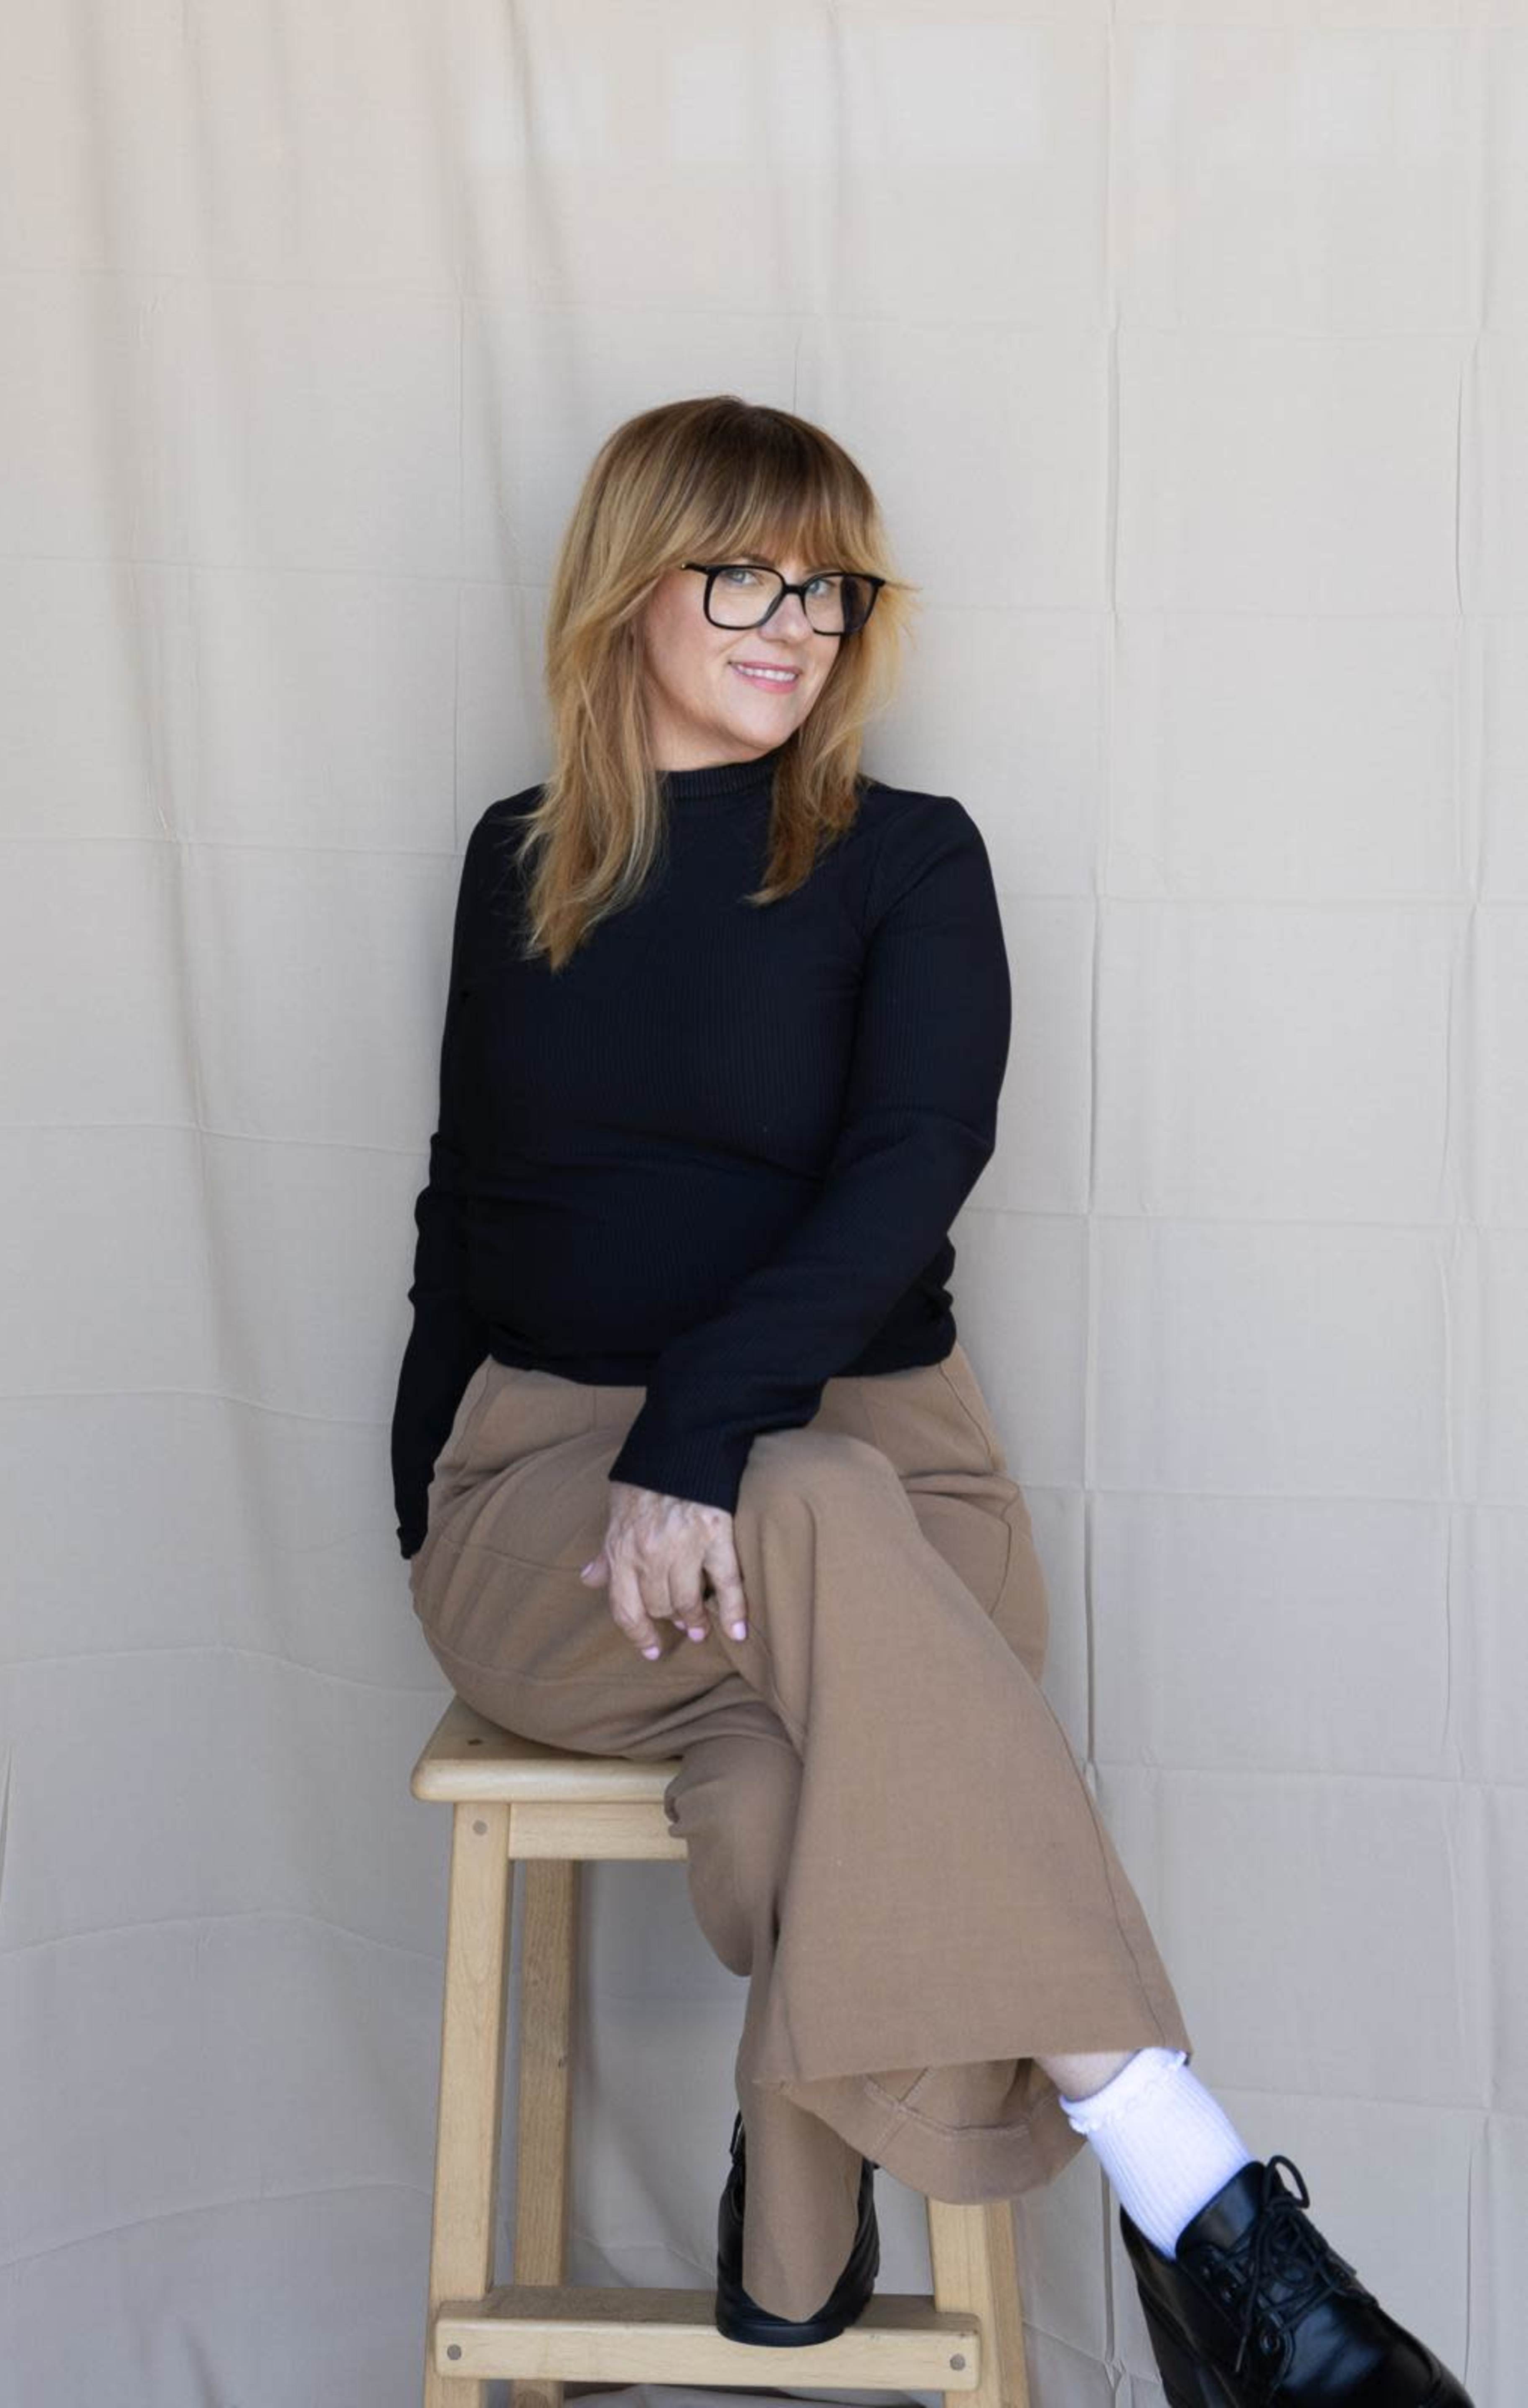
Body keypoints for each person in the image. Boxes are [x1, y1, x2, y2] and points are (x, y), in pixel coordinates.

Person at [390, 395, 1470, 2405]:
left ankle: (790, 2253)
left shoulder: (908, 860)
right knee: (802, 1521)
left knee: (796, 1748)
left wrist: (708, 1430)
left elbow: (912, 1168)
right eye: (747, 576)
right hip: (561, 1512)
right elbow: (461, 1205)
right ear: (631, 584)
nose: (797, 625)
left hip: (889, 1487)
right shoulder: (517, 864)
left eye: (832, 587)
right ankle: (1207, 2207)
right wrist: (433, 1508)